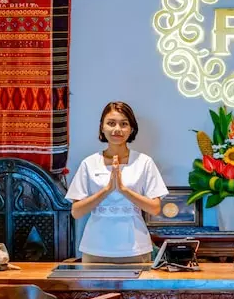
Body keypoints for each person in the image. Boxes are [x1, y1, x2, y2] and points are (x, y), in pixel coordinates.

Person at [65, 101, 168, 264]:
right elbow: (76, 212)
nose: (117, 129)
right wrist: (107, 189)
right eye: (111, 123)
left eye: (124, 124)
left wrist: (123, 189)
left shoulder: (144, 162)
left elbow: (154, 208)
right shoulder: (89, 163)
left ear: (131, 129)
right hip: (96, 247)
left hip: (135, 247)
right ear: (102, 127)